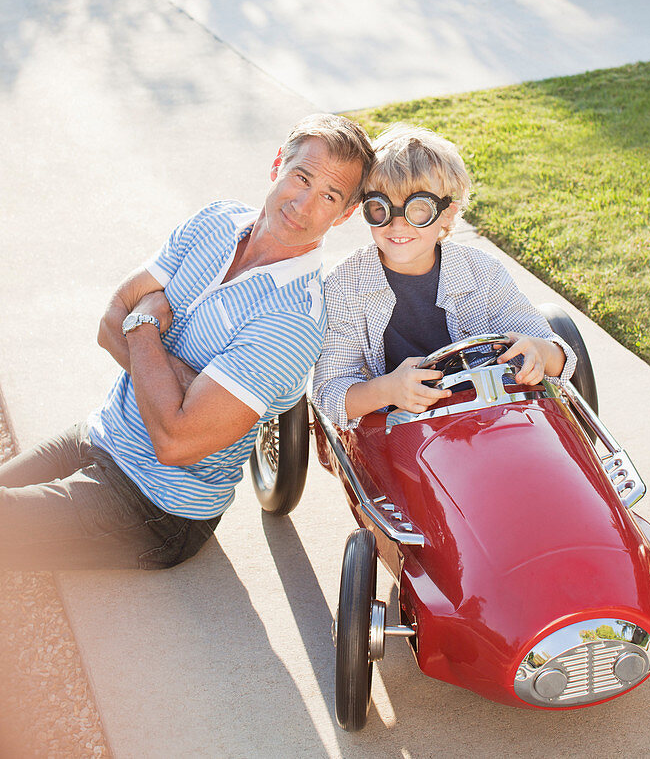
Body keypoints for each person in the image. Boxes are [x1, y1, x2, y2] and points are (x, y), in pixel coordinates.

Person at [0, 114, 373, 570]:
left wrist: (143, 328)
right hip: (100, 434)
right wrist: (177, 385)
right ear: (278, 164)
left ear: (345, 213)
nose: (304, 203)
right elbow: (109, 318)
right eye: (302, 177)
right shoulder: (216, 222)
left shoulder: (292, 320)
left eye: (329, 196)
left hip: (155, 506)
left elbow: (176, 442)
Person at [312, 124, 576, 428]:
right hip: (396, 432)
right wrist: (387, 389)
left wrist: (541, 352)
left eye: (418, 209)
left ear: (447, 212)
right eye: (379, 207)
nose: (398, 226)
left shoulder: (483, 273)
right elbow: (328, 394)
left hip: (489, 421)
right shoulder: (345, 286)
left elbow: (558, 358)